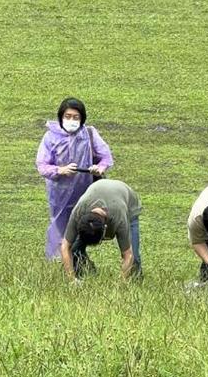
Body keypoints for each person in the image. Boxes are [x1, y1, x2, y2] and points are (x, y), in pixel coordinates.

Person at [36, 97, 114, 260]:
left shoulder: (89, 134)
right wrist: (60, 170)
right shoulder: (50, 137)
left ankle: (77, 258)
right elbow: (42, 165)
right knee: (59, 227)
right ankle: (57, 261)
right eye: (68, 116)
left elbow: (105, 157)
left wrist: (99, 168)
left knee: (82, 226)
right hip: (59, 194)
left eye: (76, 117)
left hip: (84, 192)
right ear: (61, 117)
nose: (71, 120)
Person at [60, 179, 141, 282]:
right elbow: (65, 247)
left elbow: (128, 255)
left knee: (134, 259)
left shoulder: (119, 218)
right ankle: (87, 273)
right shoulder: (79, 211)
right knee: (75, 249)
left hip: (128, 203)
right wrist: (71, 280)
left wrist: (120, 285)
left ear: (105, 230)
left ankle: (136, 281)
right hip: (99, 192)